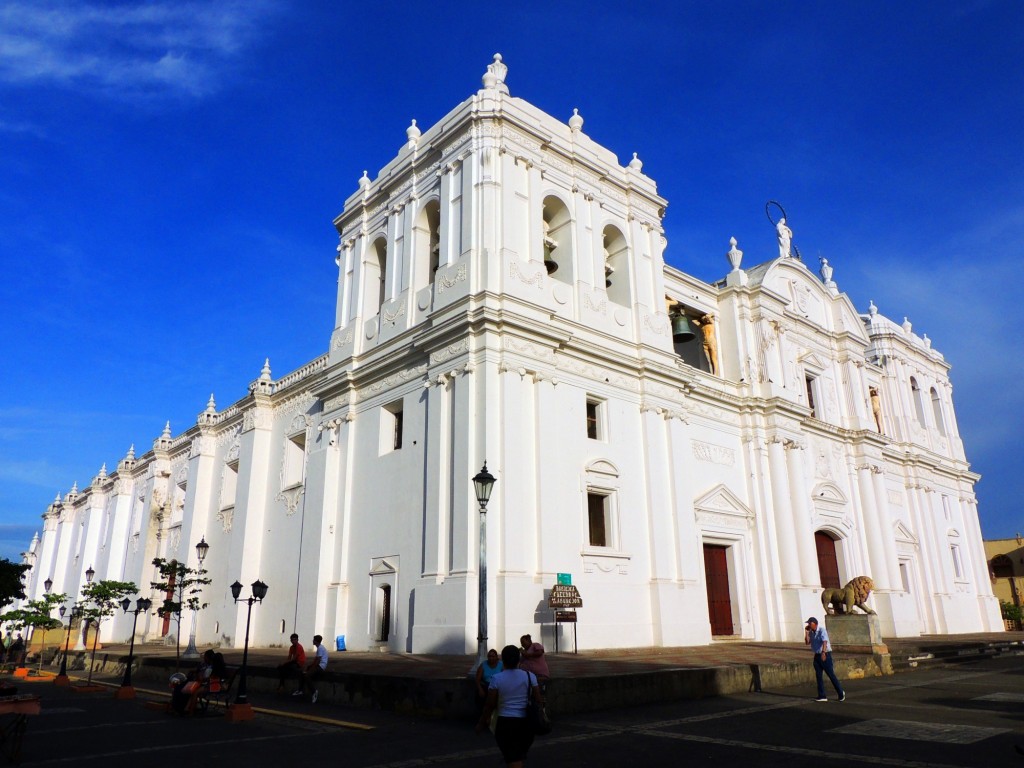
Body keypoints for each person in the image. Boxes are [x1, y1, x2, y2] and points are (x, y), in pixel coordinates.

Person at [476, 645, 543, 768]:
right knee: (515, 756)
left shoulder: (497, 679)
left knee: (513, 758)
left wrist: (482, 722)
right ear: (518, 660)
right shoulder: (529, 676)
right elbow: (538, 699)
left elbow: (489, 704)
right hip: (526, 723)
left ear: (503, 660)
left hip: (506, 722)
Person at [172, 649, 226, 715]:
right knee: (190, 689)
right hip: (210, 684)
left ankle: (190, 711)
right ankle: (186, 708)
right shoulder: (216, 668)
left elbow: (212, 679)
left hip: (212, 686)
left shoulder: (216, 669)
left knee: (195, 692)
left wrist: (203, 679)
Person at [805, 617, 845, 702]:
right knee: (818, 676)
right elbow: (807, 642)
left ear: (814, 624)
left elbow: (825, 641)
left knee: (830, 674)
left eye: (810, 624)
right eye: (808, 624)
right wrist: (807, 632)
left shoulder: (822, 630)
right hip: (817, 655)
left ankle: (840, 693)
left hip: (825, 654)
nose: (809, 625)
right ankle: (822, 695)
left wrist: (823, 652)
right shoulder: (811, 632)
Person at [296, 634, 327, 703]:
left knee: (307, 675)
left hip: (320, 667)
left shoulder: (320, 648)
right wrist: (310, 666)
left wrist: (311, 669)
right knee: (302, 672)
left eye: (313, 640)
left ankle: (314, 692)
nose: (312, 641)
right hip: (318, 665)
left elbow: (318, 661)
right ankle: (300, 690)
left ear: (316, 641)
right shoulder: (319, 647)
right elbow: (316, 659)